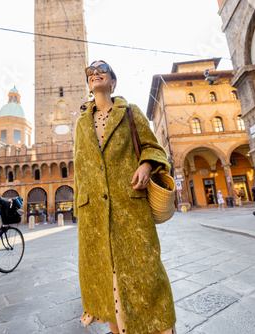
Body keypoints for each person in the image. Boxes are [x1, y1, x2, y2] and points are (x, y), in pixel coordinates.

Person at [74, 60, 176, 334]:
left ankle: (158, 327)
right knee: (107, 277)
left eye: (101, 69)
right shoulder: (81, 124)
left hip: (130, 207)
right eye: (90, 72)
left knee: (145, 271)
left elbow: (153, 147)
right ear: (88, 85)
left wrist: (146, 164)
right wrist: (80, 210)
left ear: (113, 82)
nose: (95, 73)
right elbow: (80, 168)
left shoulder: (131, 112)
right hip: (94, 212)